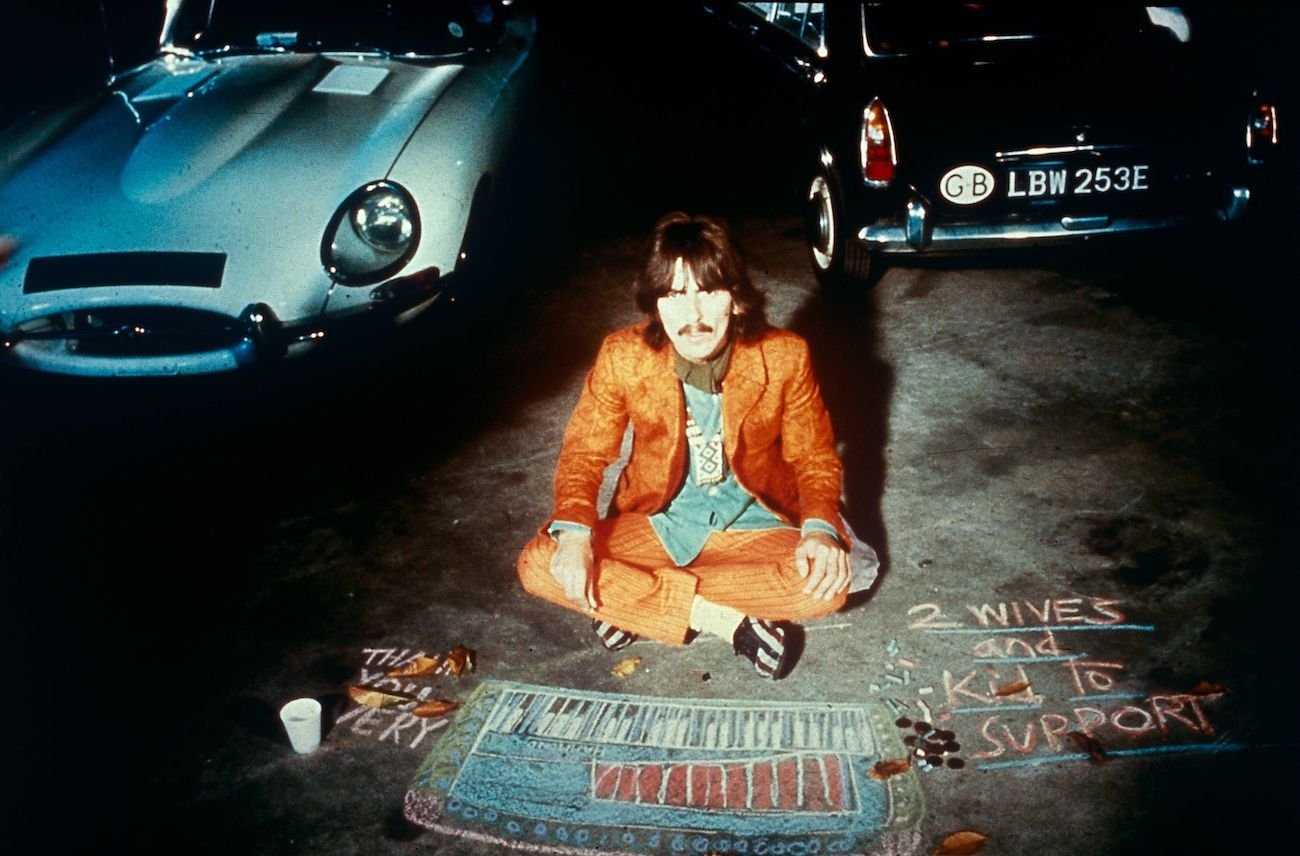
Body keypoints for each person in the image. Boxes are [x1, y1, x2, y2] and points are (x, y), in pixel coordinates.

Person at [517, 212, 876, 679]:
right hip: (660, 526)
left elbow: (813, 457)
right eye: (674, 295)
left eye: (709, 291)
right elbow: (586, 454)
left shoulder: (785, 356)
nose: (694, 317)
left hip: (754, 527)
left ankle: (633, 606)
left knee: (826, 586)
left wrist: (819, 531)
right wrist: (577, 537)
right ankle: (723, 620)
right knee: (539, 562)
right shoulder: (623, 356)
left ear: (737, 299)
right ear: (654, 306)